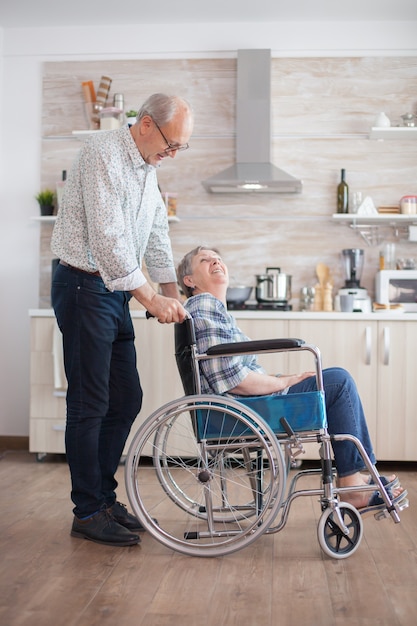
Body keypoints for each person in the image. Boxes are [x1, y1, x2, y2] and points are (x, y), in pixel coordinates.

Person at [51, 93, 192, 546]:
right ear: (146, 125)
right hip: (82, 284)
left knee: (126, 397)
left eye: (179, 149)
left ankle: (103, 498)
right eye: (171, 144)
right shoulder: (102, 155)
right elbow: (110, 240)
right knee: (90, 403)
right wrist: (150, 299)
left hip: (112, 289)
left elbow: (154, 232)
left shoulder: (146, 169)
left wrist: (171, 292)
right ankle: (88, 511)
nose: (171, 155)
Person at [177, 246, 407, 516]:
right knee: (338, 383)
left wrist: (283, 381)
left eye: (218, 258)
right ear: (189, 281)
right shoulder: (205, 305)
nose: (216, 261)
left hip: (243, 408)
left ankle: (354, 479)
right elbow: (234, 382)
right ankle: (353, 483)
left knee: (333, 382)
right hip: (243, 411)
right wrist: (287, 380)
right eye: (205, 260)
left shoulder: (214, 310)